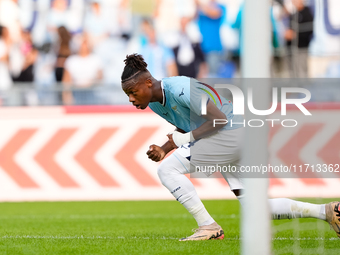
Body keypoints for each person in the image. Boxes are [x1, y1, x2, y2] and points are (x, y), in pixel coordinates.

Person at [120, 53, 340, 241]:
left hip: (230, 134)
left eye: (133, 91)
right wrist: (165, 148)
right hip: (233, 139)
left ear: (148, 82)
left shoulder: (180, 89)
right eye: (127, 94)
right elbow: (186, 127)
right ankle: (328, 211)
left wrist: (182, 141)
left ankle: (208, 227)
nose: (131, 98)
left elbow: (218, 120)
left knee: (167, 170)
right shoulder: (155, 103)